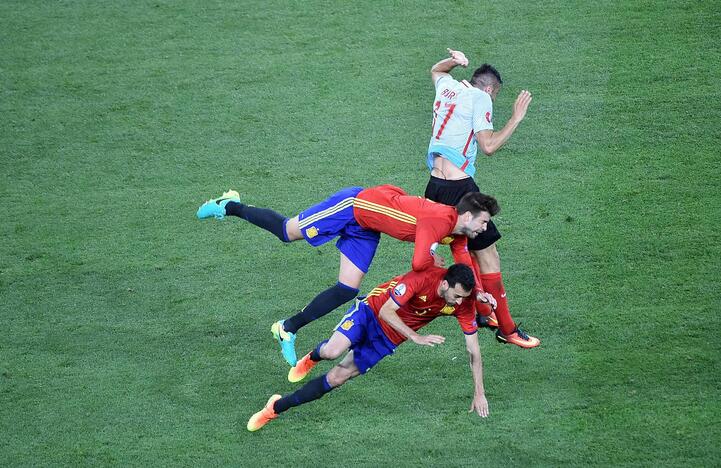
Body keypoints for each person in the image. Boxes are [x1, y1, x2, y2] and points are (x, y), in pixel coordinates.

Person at [196, 184, 498, 366]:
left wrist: (478, 290)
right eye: (483, 222)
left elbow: (462, 266)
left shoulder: (457, 233)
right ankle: (230, 205)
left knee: (347, 288)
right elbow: (420, 264)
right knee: (287, 232)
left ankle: (287, 328)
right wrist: (432, 253)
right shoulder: (438, 221)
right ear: (467, 216)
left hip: (369, 226)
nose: (485, 229)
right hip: (354, 207)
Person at [247, 263, 488, 431]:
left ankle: (275, 408)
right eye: (456, 296)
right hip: (371, 311)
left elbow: (473, 351)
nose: (459, 303)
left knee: (336, 379)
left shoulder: (463, 305)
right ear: (445, 284)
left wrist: (479, 392)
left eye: (463, 298)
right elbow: (386, 310)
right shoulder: (421, 278)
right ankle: (313, 357)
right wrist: (415, 337)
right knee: (332, 351)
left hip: (387, 339)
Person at [424, 48, 540, 348]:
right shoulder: (481, 98)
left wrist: (454, 62)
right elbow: (487, 145)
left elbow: (437, 70)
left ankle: (482, 310)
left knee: (464, 249)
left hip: (433, 188)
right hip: (460, 189)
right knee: (489, 257)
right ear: (489, 89)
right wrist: (515, 118)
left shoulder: (448, 86)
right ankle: (508, 329)